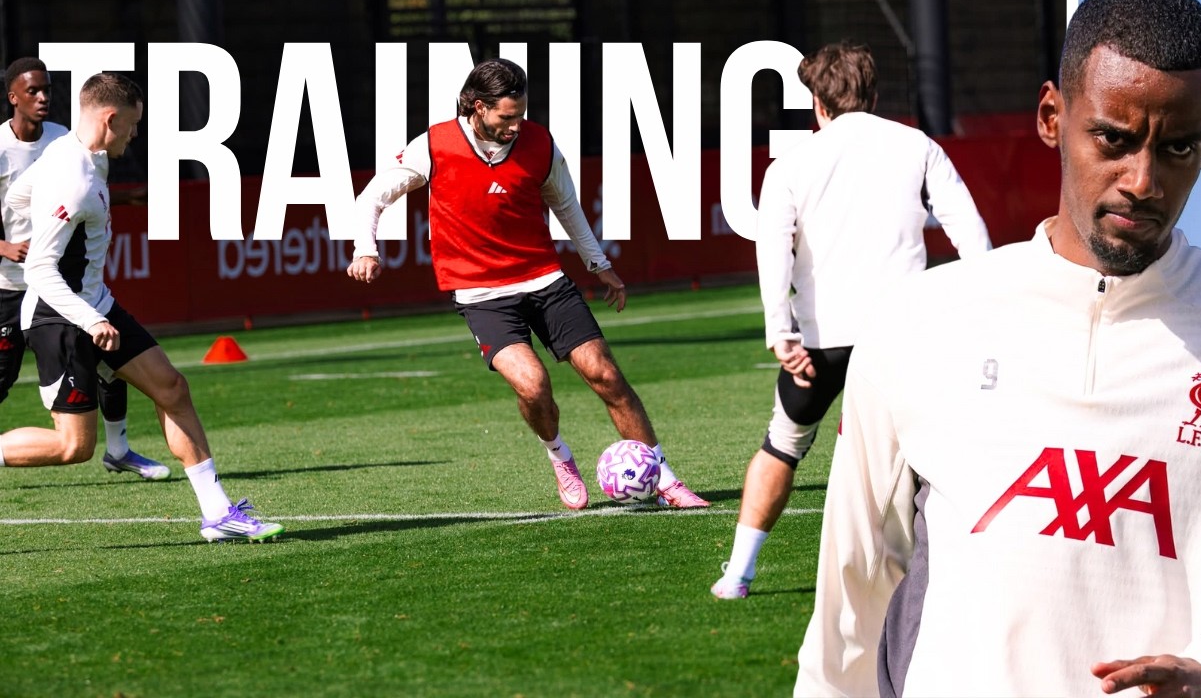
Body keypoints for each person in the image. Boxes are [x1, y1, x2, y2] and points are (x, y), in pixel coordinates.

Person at [795, 0, 1201, 695]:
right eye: (1113, 140)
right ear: (1053, 116)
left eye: (1177, 147)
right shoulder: (920, 323)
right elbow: (850, 609)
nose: (1143, 180)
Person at [348, 58, 708, 510]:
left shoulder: (539, 143)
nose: (517, 125)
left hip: (545, 280)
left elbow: (567, 205)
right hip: (481, 295)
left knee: (607, 375)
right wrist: (367, 249)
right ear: (477, 107)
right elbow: (372, 198)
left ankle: (666, 480)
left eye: (521, 114)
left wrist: (599, 265)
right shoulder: (434, 145)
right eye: (506, 117)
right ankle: (560, 456)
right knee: (533, 386)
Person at [710, 42, 990, 600]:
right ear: (875, 94)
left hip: (820, 343)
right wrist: (982, 306)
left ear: (818, 101)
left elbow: (774, 254)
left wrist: (780, 332)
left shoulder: (790, 165)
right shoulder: (916, 146)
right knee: (927, 455)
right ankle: (950, 577)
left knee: (782, 448)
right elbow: (971, 232)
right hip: (903, 337)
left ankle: (738, 575)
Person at [0, 72, 283, 543]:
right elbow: (41, 271)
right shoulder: (73, 178)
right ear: (110, 119)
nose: (135, 135)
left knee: (172, 387)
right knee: (74, 447)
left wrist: (97, 309)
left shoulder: (81, 155)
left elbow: (16, 195)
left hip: (97, 305)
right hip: (61, 318)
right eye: (132, 126)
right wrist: (90, 319)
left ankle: (219, 515)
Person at [0, 57, 166, 480]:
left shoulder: (66, 141)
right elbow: (26, 210)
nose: (43, 97)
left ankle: (124, 451)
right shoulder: (10, 149)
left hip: (74, 293)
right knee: (67, 439)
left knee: (161, 384)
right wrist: (14, 241)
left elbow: (31, 198)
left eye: (47, 89)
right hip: (28, 291)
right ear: (12, 97)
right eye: (32, 90)